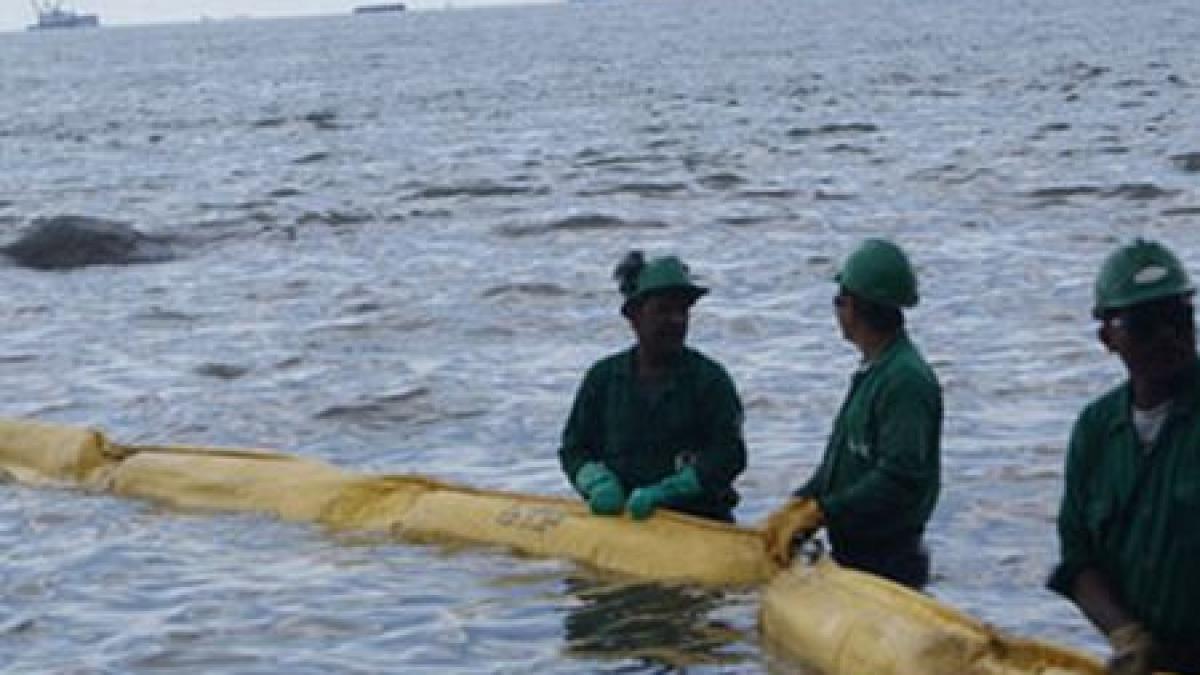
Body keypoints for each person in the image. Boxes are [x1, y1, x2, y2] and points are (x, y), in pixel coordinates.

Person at [1048, 238, 1200, 675]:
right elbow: (1078, 558)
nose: (1167, 335)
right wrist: (1126, 634)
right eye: (1145, 324)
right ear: (1107, 337)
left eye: (1178, 317)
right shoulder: (1096, 431)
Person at [763, 238, 942, 589]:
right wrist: (801, 502)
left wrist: (824, 511)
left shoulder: (905, 380)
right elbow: (841, 462)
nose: (837, 311)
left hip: (889, 559)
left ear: (857, 308)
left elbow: (899, 477)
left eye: (839, 301)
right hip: (855, 551)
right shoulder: (874, 371)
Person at [558, 251, 747, 522]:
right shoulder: (603, 379)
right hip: (621, 518)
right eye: (663, 310)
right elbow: (574, 449)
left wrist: (674, 489)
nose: (676, 320)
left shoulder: (710, 380)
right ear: (634, 316)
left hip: (700, 521)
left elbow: (730, 455)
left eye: (682, 311)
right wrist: (594, 481)